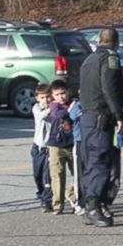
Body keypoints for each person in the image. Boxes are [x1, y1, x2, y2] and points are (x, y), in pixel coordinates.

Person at [78, 28, 123, 227]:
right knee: (101, 161)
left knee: (89, 162)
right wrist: (119, 115)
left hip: (87, 116)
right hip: (100, 117)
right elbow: (110, 88)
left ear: (99, 40)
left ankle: (89, 204)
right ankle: (94, 205)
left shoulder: (88, 59)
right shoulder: (110, 59)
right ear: (116, 43)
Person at [46, 80, 76, 214]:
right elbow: (58, 115)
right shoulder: (54, 106)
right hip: (56, 145)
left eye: (63, 93)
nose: (61, 97)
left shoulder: (75, 103)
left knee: (78, 173)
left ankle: (72, 194)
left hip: (73, 143)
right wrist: (70, 110)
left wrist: (73, 108)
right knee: (57, 174)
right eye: (57, 94)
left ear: (68, 92)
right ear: (53, 96)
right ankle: (58, 204)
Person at [30, 83, 53, 212]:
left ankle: (47, 200)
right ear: (37, 98)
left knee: (47, 176)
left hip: (49, 148)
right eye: (42, 97)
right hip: (38, 148)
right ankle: (41, 193)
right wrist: (52, 108)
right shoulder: (36, 108)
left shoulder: (55, 110)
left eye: (48, 97)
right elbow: (41, 116)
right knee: (37, 175)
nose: (46, 100)